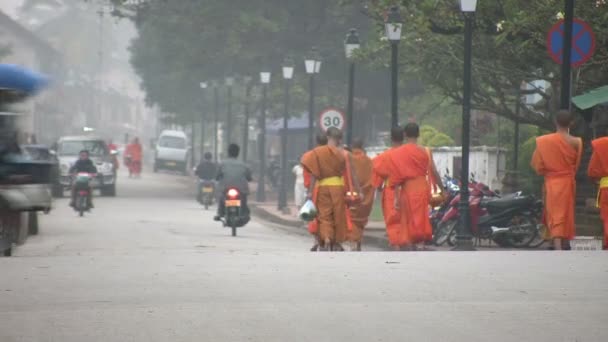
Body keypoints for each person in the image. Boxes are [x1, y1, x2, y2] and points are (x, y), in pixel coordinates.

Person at [531, 110, 582, 250]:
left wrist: (549, 171)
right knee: (565, 212)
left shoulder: (543, 141)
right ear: (571, 123)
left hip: (551, 182)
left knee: (554, 213)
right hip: (567, 181)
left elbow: (537, 166)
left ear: (555, 122)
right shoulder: (577, 142)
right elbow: (576, 166)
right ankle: (562, 242)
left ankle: (557, 244)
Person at [301, 127, 355, 251]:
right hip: (338, 187)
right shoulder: (343, 153)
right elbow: (349, 173)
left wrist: (310, 191)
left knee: (324, 215)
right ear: (339, 139)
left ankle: (326, 238)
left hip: (323, 186)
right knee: (338, 214)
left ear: (327, 137)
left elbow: (314, 173)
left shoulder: (317, 153)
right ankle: (337, 241)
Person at [372, 126, 406, 250]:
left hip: (391, 190)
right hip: (408, 189)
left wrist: (379, 184)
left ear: (391, 138)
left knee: (392, 219)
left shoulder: (386, 156)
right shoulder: (409, 154)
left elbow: (375, 168)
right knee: (406, 218)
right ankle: (406, 241)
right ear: (404, 137)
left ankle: (396, 244)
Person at [214, 144, 253, 223]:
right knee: (244, 200)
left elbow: (217, 176)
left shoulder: (222, 164)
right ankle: (243, 213)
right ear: (238, 153)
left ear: (228, 152)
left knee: (221, 197)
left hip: (225, 187)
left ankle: (219, 213)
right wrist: (249, 179)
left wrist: (218, 178)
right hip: (241, 188)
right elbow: (249, 177)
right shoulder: (243, 165)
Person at [347, 138, 374, 251]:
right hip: (366, 193)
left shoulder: (348, 158)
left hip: (352, 192)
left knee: (352, 218)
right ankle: (358, 240)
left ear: (352, 146)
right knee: (361, 218)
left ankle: (354, 240)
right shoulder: (369, 160)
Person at [302, 133, 328, 251]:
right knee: (328, 215)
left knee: (314, 216)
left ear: (316, 142)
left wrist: (309, 190)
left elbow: (308, 174)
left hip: (314, 189)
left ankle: (317, 239)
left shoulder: (309, 155)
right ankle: (328, 238)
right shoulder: (332, 153)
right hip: (332, 188)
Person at [588, 132, 608, 249]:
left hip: (606, 187)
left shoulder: (602, 144)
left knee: (607, 216)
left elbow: (592, 170)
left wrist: (595, 180)